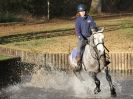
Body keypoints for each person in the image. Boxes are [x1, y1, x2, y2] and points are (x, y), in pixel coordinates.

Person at [74, 4, 97, 72]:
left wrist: (94, 29)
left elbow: (93, 25)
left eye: (83, 11)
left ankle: (103, 60)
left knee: (98, 45)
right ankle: (79, 64)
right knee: (80, 48)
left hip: (90, 37)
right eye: (81, 11)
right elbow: (77, 31)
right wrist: (81, 37)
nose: (82, 12)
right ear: (79, 12)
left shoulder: (89, 18)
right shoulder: (78, 20)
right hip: (82, 38)